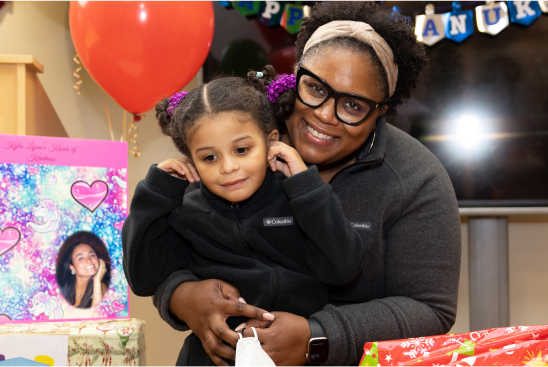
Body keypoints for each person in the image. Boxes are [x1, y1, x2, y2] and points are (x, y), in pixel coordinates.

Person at [149, 2, 461, 366]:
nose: (325, 115)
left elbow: (430, 309)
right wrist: (180, 297)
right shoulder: (238, 140)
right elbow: (166, 251)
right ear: (294, 76)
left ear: (381, 112)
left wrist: (317, 336)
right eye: (315, 88)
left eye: (354, 106)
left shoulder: (417, 179)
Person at [122, 66, 365, 336]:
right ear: (192, 161)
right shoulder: (186, 212)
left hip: (297, 354)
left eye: (241, 150)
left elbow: (343, 269)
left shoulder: (298, 199)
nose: (228, 167)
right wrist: (155, 193)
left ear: (271, 142)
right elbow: (144, 280)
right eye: (209, 158)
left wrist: (306, 186)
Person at [56, 231, 111, 308]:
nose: (89, 260)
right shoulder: (60, 286)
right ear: (72, 267)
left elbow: (97, 316)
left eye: (92, 255)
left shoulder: (101, 287)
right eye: (81, 258)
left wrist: (97, 281)